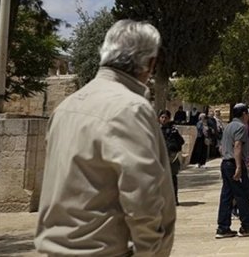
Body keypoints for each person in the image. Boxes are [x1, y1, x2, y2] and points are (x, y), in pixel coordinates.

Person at [35, 20, 176, 256]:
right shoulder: (130, 108)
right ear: (150, 64)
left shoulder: (65, 108)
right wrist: (152, 251)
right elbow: (143, 195)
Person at [214, 104, 249, 238]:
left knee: (227, 196)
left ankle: (223, 227)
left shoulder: (228, 126)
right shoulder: (241, 127)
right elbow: (238, 145)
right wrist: (239, 167)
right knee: (243, 195)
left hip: (225, 163)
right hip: (234, 163)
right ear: (244, 114)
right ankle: (246, 226)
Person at [159, 109, 185, 205]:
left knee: (172, 179)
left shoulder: (173, 130)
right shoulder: (156, 130)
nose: (164, 119)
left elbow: (181, 142)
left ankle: (174, 199)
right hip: (160, 158)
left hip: (171, 158)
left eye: (166, 117)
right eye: (162, 117)